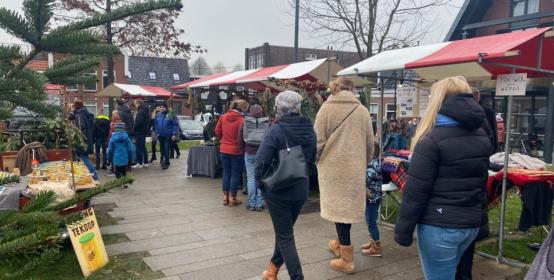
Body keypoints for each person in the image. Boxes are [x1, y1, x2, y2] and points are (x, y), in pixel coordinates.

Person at [394, 77, 491, 280]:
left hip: (439, 226)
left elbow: (415, 192)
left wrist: (403, 231)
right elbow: (481, 185)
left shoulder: (431, 141)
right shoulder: (481, 136)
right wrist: (481, 223)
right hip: (469, 225)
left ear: (437, 100)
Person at [255, 91, 317, 280]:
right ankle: (272, 270)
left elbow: (261, 161)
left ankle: (297, 277)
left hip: (279, 191)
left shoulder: (277, 129)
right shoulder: (309, 128)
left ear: (279, 108)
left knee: (285, 237)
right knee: (285, 232)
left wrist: (261, 184)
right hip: (300, 188)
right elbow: (312, 159)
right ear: (298, 107)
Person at [314, 77, 373, 274]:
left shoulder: (326, 109)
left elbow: (318, 141)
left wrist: (317, 159)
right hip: (354, 167)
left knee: (338, 208)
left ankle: (347, 260)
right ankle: (340, 244)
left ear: (334, 89)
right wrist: (362, 161)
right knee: (344, 208)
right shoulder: (362, 111)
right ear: (353, 89)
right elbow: (370, 144)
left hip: (332, 168)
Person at [455, 88, 497, 280]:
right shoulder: (485, 116)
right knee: (466, 254)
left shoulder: (453, 121)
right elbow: (492, 144)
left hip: (457, 194)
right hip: (475, 186)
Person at [216, 100, 249, 206]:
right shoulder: (243, 120)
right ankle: (232, 198)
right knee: (235, 174)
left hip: (224, 148)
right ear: (243, 109)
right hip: (236, 150)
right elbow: (245, 136)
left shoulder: (223, 117)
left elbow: (217, 131)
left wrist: (223, 139)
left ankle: (225, 197)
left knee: (226, 173)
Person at [238, 104, 268, 211]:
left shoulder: (245, 122)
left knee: (250, 178)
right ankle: (260, 204)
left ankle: (251, 204)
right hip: (262, 153)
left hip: (249, 152)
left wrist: (243, 150)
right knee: (260, 178)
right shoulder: (266, 122)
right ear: (261, 112)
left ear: (250, 112)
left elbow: (240, 139)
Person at [361, 141, 383, 257]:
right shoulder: (373, 163)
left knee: (371, 222)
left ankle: (376, 248)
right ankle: (372, 242)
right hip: (373, 198)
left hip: (372, 199)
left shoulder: (371, 166)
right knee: (369, 220)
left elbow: (366, 180)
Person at [71, 100, 99, 181]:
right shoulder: (86, 114)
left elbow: (80, 127)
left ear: (76, 107)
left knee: (84, 158)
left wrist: (73, 128)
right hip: (88, 139)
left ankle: (95, 176)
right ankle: (89, 176)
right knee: (84, 157)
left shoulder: (79, 115)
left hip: (82, 140)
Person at [155, 104, 178, 170]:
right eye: (161, 107)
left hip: (168, 134)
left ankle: (166, 162)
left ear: (166, 108)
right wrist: (157, 132)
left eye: (163, 107)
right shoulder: (158, 114)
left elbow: (175, 124)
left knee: (166, 148)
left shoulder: (171, 114)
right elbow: (156, 124)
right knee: (162, 149)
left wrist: (174, 134)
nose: (162, 108)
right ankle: (164, 160)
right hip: (160, 135)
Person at [132, 100, 150, 168]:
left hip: (139, 132)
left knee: (138, 148)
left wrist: (134, 128)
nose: (135, 106)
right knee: (143, 147)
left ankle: (139, 163)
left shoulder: (140, 112)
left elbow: (139, 122)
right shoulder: (145, 111)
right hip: (143, 132)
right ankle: (145, 162)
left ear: (138, 104)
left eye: (135, 104)